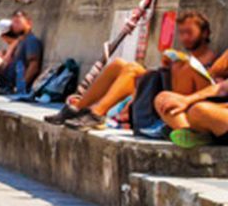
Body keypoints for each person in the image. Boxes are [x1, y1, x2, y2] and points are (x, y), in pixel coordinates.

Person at [53, 10, 213, 129]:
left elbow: (208, 87)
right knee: (119, 65)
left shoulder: (210, 60)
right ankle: (78, 107)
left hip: (178, 101)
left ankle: (97, 113)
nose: (184, 37)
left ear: (204, 33)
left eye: (189, 33)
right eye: (182, 33)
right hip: (164, 89)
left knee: (132, 70)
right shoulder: (184, 57)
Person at [0, 11, 43, 97]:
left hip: (12, 87)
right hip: (5, 82)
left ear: (29, 23)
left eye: (18, 22)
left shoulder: (31, 41)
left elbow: (33, 66)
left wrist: (21, 87)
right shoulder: (20, 41)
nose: (15, 26)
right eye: (13, 24)